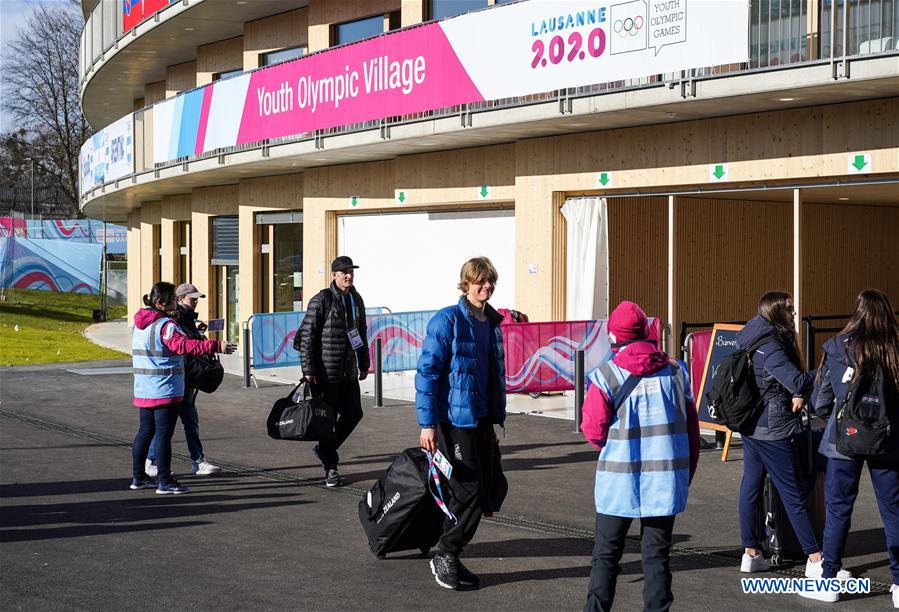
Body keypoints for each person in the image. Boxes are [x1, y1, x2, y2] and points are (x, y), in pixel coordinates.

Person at [580, 300, 700, 612]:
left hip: (617, 481)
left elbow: (592, 430)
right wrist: (685, 474)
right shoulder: (677, 372)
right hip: (665, 480)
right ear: (646, 331)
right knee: (657, 556)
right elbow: (692, 430)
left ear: (613, 336)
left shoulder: (606, 375)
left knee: (606, 554)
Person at [416, 256, 506, 590]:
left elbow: (491, 377)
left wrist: (493, 423)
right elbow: (427, 372)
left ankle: (451, 551)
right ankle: (446, 554)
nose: (487, 286)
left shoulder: (491, 322)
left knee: (490, 489)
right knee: (469, 488)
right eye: (480, 281)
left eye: (490, 281)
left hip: (481, 418)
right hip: (452, 421)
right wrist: (427, 423)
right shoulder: (447, 320)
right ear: (466, 283)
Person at [809, 289, 899, 606]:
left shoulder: (837, 348)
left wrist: (838, 417)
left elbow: (820, 401)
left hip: (843, 440)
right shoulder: (894, 349)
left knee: (838, 509)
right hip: (888, 440)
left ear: (857, 312)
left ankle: (829, 578)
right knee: (893, 510)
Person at [735, 291, 826, 577]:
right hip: (772, 430)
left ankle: (751, 553)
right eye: (789, 309)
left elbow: (777, 382)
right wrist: (822, 371)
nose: (794, 313)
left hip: (751, 425)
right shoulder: (771, 347)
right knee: (792, 493)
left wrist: (795, 392)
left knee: (750, 488)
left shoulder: (751, 336)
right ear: (776, 313)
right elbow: (795, 380)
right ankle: (815, 558)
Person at [130, 282, 235, 494]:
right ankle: (165, 481)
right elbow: (184, 346)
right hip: (165, 388)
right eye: (172, 299)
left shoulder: (140, 324)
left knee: (145, 432)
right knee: (163, 435)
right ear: (161, 302)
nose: (174, 303)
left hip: (144, 388)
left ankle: (138, 477)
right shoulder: (166, 325)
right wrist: (216, 346)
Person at [296, 255, 370, 487]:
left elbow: (361, 332)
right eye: (344, 272)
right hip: (325, 373)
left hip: (348, 371)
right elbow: (307, 337)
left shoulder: (356, 299)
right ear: (334, 275)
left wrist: (364, 362)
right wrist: (308, 369)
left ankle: (325, 449)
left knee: (354, 413)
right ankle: (331, 468)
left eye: (351, 271)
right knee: (326, 421)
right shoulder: (321, 300)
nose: (348, 275)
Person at [145, 283, 221, 479]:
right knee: (168, 425)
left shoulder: (185, 317)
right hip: (176, 378)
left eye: (197, 298)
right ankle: (153, 461)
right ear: (179, 299)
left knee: (186, 421)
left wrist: (198, 334)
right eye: (192, 298)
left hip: (182, 377)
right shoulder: (176, 318)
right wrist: (212, 345)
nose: (195, 301)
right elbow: (184, 345)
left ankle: (195, 460)